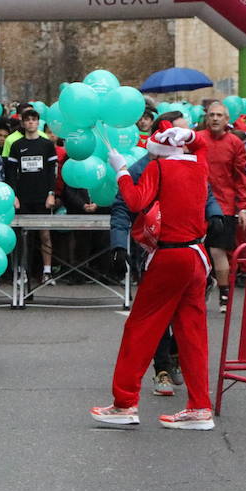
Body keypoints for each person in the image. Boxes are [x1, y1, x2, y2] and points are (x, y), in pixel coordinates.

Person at [92, 125, 215, 430]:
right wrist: (189, 135)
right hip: (197, 256)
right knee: (192, 332)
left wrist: (120, 169)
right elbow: (201, 145)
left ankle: (124, 403)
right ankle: (200, 406)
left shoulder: (157, 168)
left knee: (140, 327)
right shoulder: (198, 165)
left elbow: (134, 202)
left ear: (158, 151)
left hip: (170, 256)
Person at [198, 101, 246, 312]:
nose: (214, 118)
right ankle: (204, 285)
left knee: (218, 250)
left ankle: (224, 292)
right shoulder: (198, 139)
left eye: (219, 115)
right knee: (200, 250)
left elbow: (242, 178)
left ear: (227, 119)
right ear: (206, 118)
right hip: (198, 204)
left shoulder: (235, 144)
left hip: (225, 206)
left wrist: (244, 207)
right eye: (211, 114)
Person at [5, 108, 59, 283]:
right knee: (22, 236)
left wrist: (51, 194)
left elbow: (52, 173)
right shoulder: (16, 145)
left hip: (42, 196)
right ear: (22, 123)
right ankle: (22, 271)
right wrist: (13, 195)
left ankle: (47, 272)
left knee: (45, 234)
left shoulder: (47, 145)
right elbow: (11, 174)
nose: (30, 122)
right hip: (23, 196)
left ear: (38, 122)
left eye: (33, 119)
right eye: (27, 120)